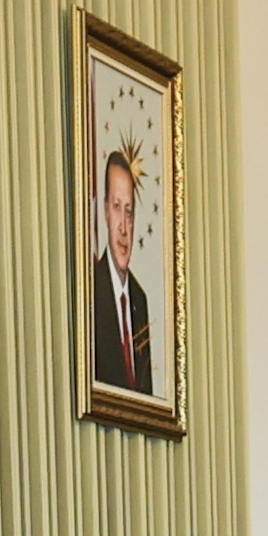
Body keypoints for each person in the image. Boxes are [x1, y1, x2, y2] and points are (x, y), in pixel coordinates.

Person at [90, 144, 157, 397]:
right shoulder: (91, 292)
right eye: (117, 207)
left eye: (129, 212)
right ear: (105, 211)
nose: (123, 228)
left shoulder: (140, 299)